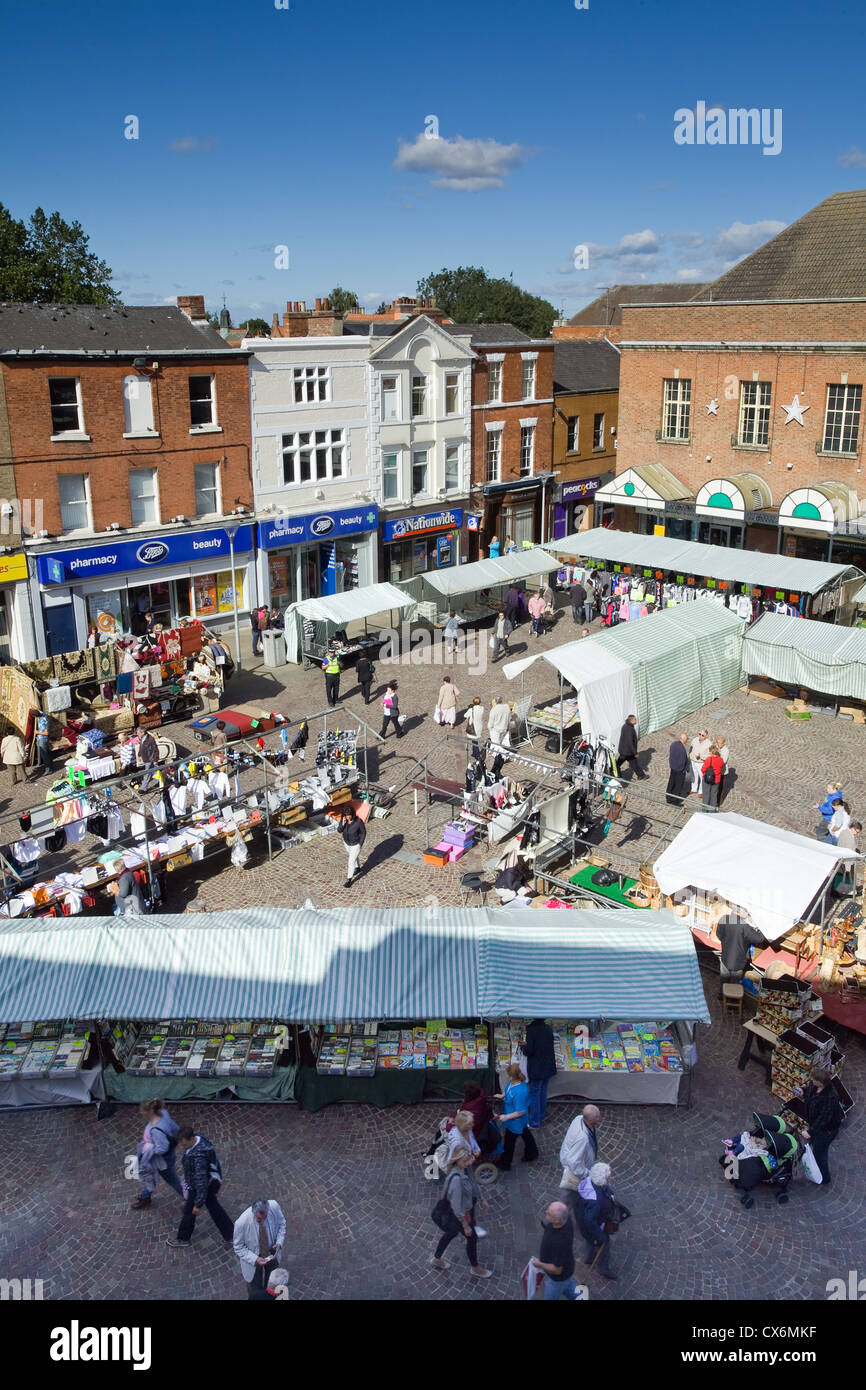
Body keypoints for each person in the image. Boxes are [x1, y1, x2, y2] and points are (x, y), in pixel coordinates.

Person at [166, 1127, 235, 1249]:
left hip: (199, 1186)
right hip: (206, 1182)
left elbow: (201, 1182)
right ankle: (231, 1235)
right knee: (214, 1208)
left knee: (190, 1211)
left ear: (192, 1139)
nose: (183, 1147)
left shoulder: (198, 1158)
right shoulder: (200, 1139)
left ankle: (183, 1238)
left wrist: (198, 1204)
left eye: (185, 1144)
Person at [431, 1146, 491, 1277]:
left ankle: (437, 1258)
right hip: (460, 1215)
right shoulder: (456, 1180)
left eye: (469, 1158)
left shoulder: (465, 1169)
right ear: (457, 1161)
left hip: (466, 1210)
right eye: (465, 1160)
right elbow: (457, 1207)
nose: (469, 1162)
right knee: (471, 1237)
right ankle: (475, 1268)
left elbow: (473, 1184)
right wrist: (465, 1225)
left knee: (451, 1233)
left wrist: (481, 1199)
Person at [130, 1099, 183, 1209]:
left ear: (151, 1111)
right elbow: (175, 1128)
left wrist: (148, 1150)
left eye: (143, 1110)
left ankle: (191, 1198)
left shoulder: (156, 1130)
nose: (141, 1112)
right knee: (150, 1177)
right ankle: (145, 1196)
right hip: (165, 1157)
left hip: (162, 1161)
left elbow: (162, 1148)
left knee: (172, 1181)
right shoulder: (163, 1113)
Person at [232, 1197, 287, 1298]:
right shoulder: (241, 1223)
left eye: (265, 1217)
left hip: (272, 1252)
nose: (262, 1221)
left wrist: (279, 1242)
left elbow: (281, 1224)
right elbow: (238, 1247)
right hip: (253, 1258)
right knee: (255, 1288)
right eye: (259, 1219)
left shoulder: (274, 1206)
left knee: (272, 1284)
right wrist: (255, 1259)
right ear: (253, 1213)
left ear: (268, 1210)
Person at [576, 1161, 619, 1280]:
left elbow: (606, 1189)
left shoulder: (592, 1181)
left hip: (587, 1224)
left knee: (590, 1242)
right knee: (604, 1244)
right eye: (608, 1178)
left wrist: (610, 1194)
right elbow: (590, 1221)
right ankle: (603, 1268)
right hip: (593, 1226)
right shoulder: (596, 1201)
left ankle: (589, 1258)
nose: (610, 1179)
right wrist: (601, 1237)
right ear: (603, 1180)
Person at [715, 914, 780, 993]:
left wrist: (726, 941)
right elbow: (759, 939)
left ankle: (721, 995)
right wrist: (764, 929)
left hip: (725, 956)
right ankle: (731, 999)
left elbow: (719, 935)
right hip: (738, 961)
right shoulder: (745, 927)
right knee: (734, 983)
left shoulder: (724, 919)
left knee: (724, 978)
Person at [802, 1069, 844, 1187]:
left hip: (827, 1130)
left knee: (820, 1153)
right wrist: (803, 1091)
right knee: (816, 1147)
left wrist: (810, 1131)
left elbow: (824, 1118)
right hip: (816, 1124)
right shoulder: (814, 1085)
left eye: (814, 1080)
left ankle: (825, 1177)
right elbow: (809, 1090)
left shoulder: (831, 1097)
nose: (811, 1081)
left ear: (821, 1082)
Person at [532, 1201, 581, 1301]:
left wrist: (539, 1264)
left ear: (557, 1221)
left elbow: (557, 1270)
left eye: (549, 1213)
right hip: (566, 1270)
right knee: (569, 1287)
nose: (545, 1211)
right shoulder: (566, 1219)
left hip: (557, 1279)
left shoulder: (560, 1242)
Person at [494, 1063, 538, 1170]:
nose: (507, 1077)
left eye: (508, 1075)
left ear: (512, 1076)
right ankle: (532, 1153)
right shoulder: (513, 1082)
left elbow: (520, 1112)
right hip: (516, 1119)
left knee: (509, 1142)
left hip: (515, 1121)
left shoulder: (520, 1092)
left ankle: (505, 1163)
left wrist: (506, 1117)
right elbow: (508, 1089)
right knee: (525, 1134)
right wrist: (502, 1095)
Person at [559, 1106, 601, 1216]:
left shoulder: (579, 1118)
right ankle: (556, 1218)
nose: (600, 1117)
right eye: (597, 1116)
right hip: (574, 1172)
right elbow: (573, 1162)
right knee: (568, 1196)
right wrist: (586, 1174)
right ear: (591, 1120)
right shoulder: (582, 1138)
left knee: (573, 1196)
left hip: (574, 1163)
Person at [522, 1018, 557, 1129]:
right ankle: (541, 1115)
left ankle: (534, 1122)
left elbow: (529, 1051)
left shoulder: (531, 1031)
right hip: (548, 1066)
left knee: (535, 1094)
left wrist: (523, 1047)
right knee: (542, 1091)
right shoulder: (548, 1029)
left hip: (537, 1067)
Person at [460, 1081, 494, 1153]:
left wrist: (449, 1125)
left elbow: (464, 1124)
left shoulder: (470, 1108)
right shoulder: (480, 1096)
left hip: (474, 1132)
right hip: (478, 1125)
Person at [340, 805, 366, 888]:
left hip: (355, 844)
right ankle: (358, 868)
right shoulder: (344, 820)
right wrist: (343, 824)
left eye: (349, 815)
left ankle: (349, 879)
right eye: (346, 815)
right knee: (353, 856)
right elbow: (339, 830)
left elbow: (363, 832)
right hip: (347, 843)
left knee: (351, 861)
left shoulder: (358, 822)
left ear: (352, 814)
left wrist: (360, 844)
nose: (347, 817)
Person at [618, 714, 646, 779]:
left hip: (624, 750)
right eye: (635, 719)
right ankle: (641, 775)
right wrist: (635, 753)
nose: (636, 720)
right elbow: (630, 742)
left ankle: (641, 775)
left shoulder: (626, 726)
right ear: (631, 720)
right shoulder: (629, 729)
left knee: (631, 763)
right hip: (628, 752)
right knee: (633, 764)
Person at [666, 733, 691, 805]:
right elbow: (682, 761)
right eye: (687, 739)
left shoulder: (674, 744)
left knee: (671, 783)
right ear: (685, 740)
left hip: (673, 768)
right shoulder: (682, 749)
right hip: (679, 770)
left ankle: (668, 798)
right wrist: (684, 769)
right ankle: (675, 801)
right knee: (678, 786)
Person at [701, 742, 725, 811]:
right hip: (716, 780)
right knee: (714, 795)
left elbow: (703, 769)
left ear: (711, 752)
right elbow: (721, 767)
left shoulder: (709, 759)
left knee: (706, 795)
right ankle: (712, 811)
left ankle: (705, 810)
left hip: (707, 779)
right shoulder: (721, 760)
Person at [689, 729, 711, 795]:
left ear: (706, 736)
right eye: (699, 734)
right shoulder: (695, 739)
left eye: (703, 735)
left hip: (701, 763)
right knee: (693, 775)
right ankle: (693, 789)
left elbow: (709, 755)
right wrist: (691, 755)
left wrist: (701, 756)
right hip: (693, 761)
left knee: (702, 777)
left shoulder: (709, 744)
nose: (700, 736)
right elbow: (691, 748)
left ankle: (701, 791)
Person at [34, 710, 53, 777]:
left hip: (43, 739)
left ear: (36, 716)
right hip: (42, 739)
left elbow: (46, 733)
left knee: (45, 755)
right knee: (47, 753)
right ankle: (50, 767)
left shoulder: (43, 721)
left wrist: (37, 732)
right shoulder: (43, 714)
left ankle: (48, 769)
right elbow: (38, 709)